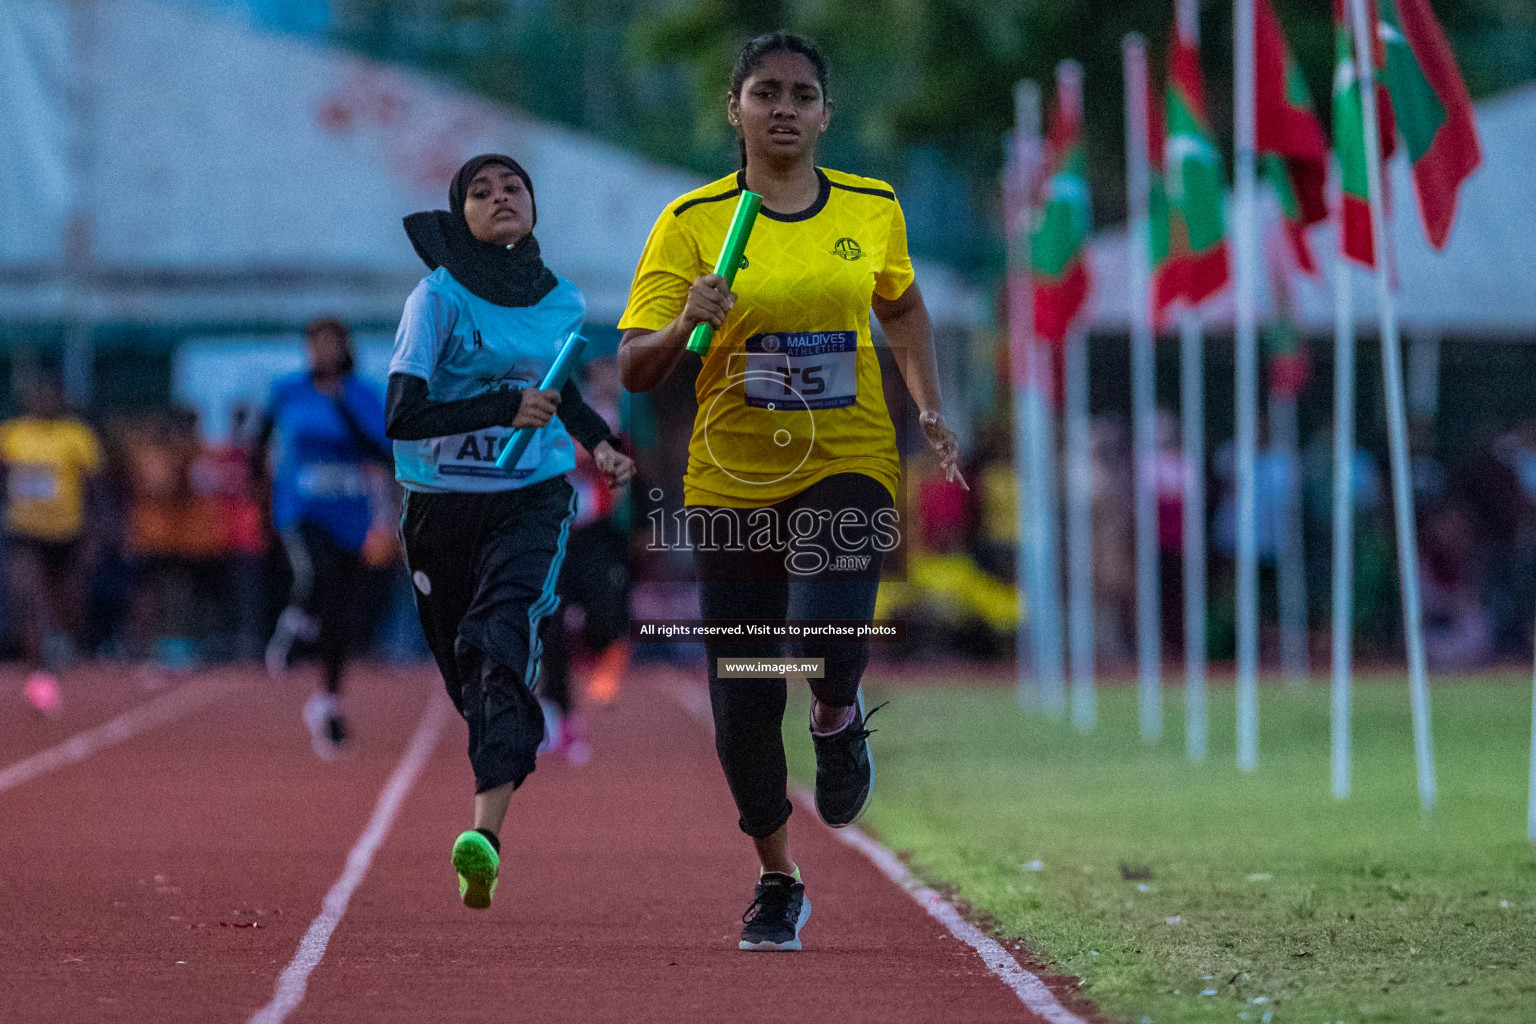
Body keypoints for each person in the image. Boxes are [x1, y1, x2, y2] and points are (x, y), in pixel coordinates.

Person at [617, 31, 965, 952]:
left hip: (846, 458)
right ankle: (779, 877)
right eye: (764, 91)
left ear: (825, 113)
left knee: (823, 633)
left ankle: (837, 713)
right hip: (731, 479)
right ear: (733, 108)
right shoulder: (692, 222)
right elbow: (635, 369)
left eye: (801, 94)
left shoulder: (872, 206)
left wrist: (928, 405)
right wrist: (687, 317)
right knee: (741, 701)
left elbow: (900, 305)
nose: (783, 108)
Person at [387, 153, 634, 911]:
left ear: (534, 206)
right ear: (459, 212)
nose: (502, 199)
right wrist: (499, 409)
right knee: (470, 669)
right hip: (440, 505)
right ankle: (509, 745)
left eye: (515, 188)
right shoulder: (434, 301)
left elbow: (553, 391)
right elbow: (402, 417)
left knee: (500, 638)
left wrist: (596, 442)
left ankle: (484, 837)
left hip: (531, 496)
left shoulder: (560, 300)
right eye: (482, 192)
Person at [253, 317, 391, 758]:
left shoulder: (364, 394)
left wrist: (343, 409)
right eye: (315, 345)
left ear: (346, 349)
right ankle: (295, 623)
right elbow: (260, 442)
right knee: (317, 572)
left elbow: (381, 450)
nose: (322, 354)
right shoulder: (287, 391)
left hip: (350, 514)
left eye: (331, 346)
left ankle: (329, 704)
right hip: (300, 507)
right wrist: (262, 494)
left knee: (340, 616)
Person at [536, 356, 633, 763]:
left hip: (595, 533)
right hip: (553, 533)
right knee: (550, 628)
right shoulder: (558, 410)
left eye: (615, 374)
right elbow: (558, 457)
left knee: (607, 616)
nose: (611, 380)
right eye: (604, 372)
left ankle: (589, 654)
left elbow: (622, 470)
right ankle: (560, 717)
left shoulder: (614, 418)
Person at [0, 373, 104, 716]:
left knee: (65, 605)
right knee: (27, 598)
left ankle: (58, 648)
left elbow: (95, 488)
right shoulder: (13, 434)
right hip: (25, 532)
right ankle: (38, 679)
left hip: (67, 533)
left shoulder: (76, 436)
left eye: (50, 396)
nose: (43, 401)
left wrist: (94, 533)